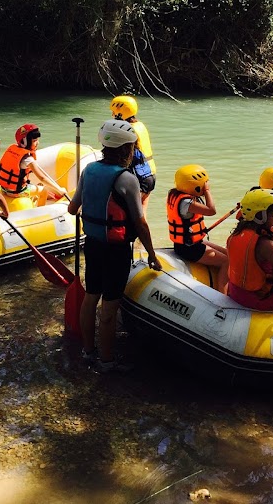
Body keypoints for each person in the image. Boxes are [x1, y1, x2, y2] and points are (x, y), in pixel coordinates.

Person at [68, 119, 161, 373]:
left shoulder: (88, 170)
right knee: (109, 306)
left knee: (91, 297)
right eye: (132, 146)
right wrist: (152, 255)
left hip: (93, 245)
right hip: (115, 250)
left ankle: (88, 352)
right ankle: (107, 362)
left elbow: (72, 208)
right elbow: (140, 223)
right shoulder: (127, 179)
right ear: (125, 149)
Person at [166, 164, 229, 292]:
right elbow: (211, 210)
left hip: (188, 244)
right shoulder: (186, 203)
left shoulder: (176, 194)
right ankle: (224, 296)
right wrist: (207, 191)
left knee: (228, 253)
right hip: (190, 249)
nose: (205, 185)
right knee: (226, 261)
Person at [0, 124, 67, 209]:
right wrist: (59, 189)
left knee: (35, 185)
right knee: (44, 191)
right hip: (16, 192)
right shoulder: (28, 159)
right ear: (25, 142)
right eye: (35, 140)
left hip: (4, 189)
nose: (38, 143)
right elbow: (42, 178)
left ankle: (33, 199)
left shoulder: (12, 150)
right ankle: (39, 211)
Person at [111, 96, 156, 208]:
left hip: (139, 176)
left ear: (120, 113)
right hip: (150, 172)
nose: (112, 115)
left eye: (113, 112)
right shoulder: (140, 125)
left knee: (131, 215)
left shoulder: (127, 130)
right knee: (141, 215)